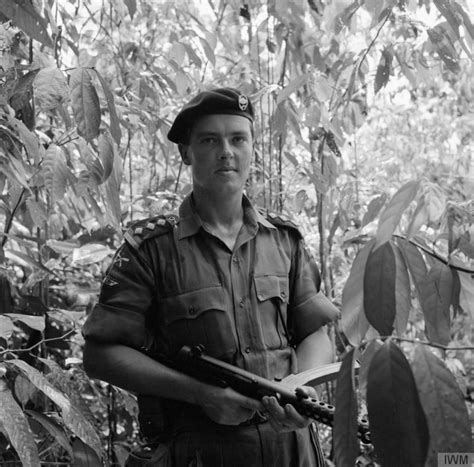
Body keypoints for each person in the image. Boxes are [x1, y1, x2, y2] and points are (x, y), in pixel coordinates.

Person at [82, 87, 340, 466]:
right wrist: (201, 394)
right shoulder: (151, 249)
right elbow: (100, 354)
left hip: (291, 450)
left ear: (252, 147)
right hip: (198, 452)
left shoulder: (284, 241)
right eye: (209, 140)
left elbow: (314, 334)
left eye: (238, 139)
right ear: (187, 152)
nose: (226, 152)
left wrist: (298, 388)